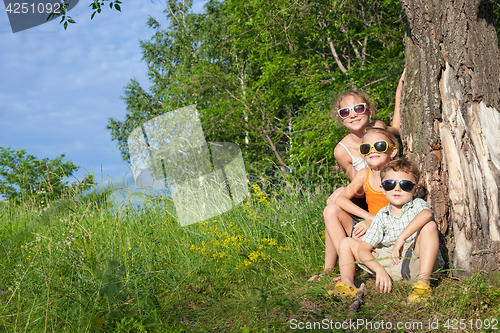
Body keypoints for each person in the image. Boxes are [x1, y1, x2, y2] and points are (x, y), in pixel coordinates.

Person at [331, 158, 443, 303]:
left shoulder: (417, 205)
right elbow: (364, 249)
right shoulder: (382, 215)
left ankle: (423, 284)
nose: (397, 189)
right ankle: (347, 284)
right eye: (390, 184)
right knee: (346, 243)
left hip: (417, 261)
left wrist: (402, 238)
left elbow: (427, 215)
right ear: (383, 188)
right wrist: (379, 270)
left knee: (429, 226)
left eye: (405, 185)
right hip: (389, 263)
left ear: (415, 190)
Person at [313, 128, 398, 281]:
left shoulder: (397, 175)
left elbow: (400, 212)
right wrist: (368, 217)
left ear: (392, 152)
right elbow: (341, 199)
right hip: (370, 226)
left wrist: (375, 221)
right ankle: (343, 268)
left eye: (379, 146)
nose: (372, 151)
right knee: (331, 210)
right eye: (366, 148)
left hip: (388, 234)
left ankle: (359, 267)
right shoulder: (364, 173)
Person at [327, 70, 404, 205]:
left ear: (369, 112)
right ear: (341, 120)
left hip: (395, 187)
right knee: (334, 199)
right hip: (369, 196)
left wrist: (399, 91)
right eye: (345, 112)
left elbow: (397, 130)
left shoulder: (378, 127)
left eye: (359, 108)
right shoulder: (342, 151)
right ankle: (355, 225)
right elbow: (359, 190)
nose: (353, 115)